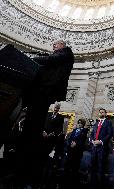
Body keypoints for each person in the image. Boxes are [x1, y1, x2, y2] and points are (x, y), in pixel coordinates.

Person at [16, 40, 74, 187]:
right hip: (41, 90)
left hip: (45, 90)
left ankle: (27, 173)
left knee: (33, 127)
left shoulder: (66, 53)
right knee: (31, 125)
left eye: (56, 44)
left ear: (63, 46)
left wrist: (31, 58)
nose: (54, 46)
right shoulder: (59, 55)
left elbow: (50, 60)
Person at [89, 108, 113, 189]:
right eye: (100, 112)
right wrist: (92, 141)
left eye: (102, 112)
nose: (101, 113)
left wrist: (101, 141)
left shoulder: (108, 122)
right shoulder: (96, 123)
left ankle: (100, 186)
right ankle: (92, 184)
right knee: (93, 167)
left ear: (105, 114)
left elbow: (109, 134)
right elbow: (92, 133)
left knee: (101, 168)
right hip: (94, 147)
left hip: (102, 148)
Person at [64, 118, 88, 188]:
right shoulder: (74, 130)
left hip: (77, 152)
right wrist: (70, 144)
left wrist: (76, 144)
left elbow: (83, 141)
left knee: (75, 168)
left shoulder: (84, 130)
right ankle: (65, 182)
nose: (79, 124)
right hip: (70, 150)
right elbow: (69, 138)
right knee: (67, 166)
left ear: (83, 124)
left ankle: (73, 184)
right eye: (79, 123)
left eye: (81, 123)